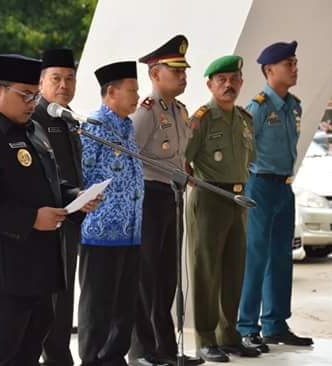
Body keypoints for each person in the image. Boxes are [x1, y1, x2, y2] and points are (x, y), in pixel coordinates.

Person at [0, 54, 99, 366]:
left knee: (27, 357)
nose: (32, 102)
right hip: (0, 276)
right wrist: (32, 218)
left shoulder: (33, 130)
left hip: (39, 273)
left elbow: (51, 184)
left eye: (35, 95)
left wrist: (75, 197)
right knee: (0, 359)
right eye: (25, 95)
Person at [129, 35, 202, 366]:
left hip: (171, 198)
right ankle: (144, 350)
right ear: (155, 74)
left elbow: (179, 158)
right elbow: (131, 158)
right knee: (147, 277)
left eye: (184, 71)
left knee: (168, 277)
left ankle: (167, 350)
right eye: (177, 71)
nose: (184, 77)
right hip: (149, 198)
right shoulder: (145, 113)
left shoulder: (180, 111)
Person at [237, 41, 313, 350]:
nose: (295, 68)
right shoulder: (257, 107)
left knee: (282, 256)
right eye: (288, 64)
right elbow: (244, 151)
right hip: (260, 185)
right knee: (256, 257)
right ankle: (246, 326)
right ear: (270, 70)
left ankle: (275, 324)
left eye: (295, 62)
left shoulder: (294, 105)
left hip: (284, 186)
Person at [184, 55, 259, 363]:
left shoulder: (244, 118)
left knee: (233, 269)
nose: (229, 85)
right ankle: (204, 337)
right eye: (222, 80)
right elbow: (183, 160)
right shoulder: (201, 118)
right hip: (210, 198)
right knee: (206, 271)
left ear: (240, 81)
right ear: (210, 84)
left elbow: (249, 159)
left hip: (238, 200)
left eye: (234, 79)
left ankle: (229, 335)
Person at [78, 61, 144, 366]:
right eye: (131, 90)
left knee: (124, 303)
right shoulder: (94, 127)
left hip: (130, 230)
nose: (137, 96)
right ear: (111, 92)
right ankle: (93, 358)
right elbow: (83, 175)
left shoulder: (126, 125)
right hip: (101, 231)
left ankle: (115, 358)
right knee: (98, 306)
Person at [31, 48, 83, 366]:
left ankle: (60, 355)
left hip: (71, 218)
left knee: (64, 298)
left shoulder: (68, 118)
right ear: (41, 83)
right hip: (45, 222)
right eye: (56, 78)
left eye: (69, 78)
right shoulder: (34, 118)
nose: (63, 85)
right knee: (45, 299)